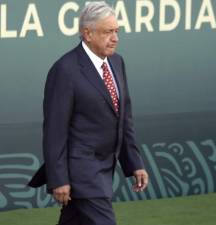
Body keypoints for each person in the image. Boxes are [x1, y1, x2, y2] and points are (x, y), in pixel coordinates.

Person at [28, 2, 149, 224]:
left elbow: (124, 118)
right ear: (87, 33)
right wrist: (59, 179)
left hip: (105, 167)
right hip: (81, 170)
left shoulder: (116, 62)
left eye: (116, 31)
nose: (115, 38)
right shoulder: (65, 70)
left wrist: (134, 162)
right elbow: (55, 131)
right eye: (107, 32)